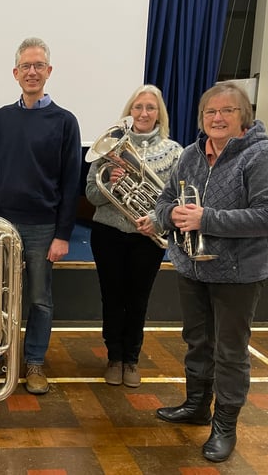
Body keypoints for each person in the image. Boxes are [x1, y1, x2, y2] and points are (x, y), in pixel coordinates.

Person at [154, 81, 268, 462]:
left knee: (230, 352)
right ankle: (196, 406)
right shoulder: (191, 155)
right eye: (209, 112)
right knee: (197, 342)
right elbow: (164, 201)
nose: (216, 117)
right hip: (192, 268)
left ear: (243, 116)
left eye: (226, 111)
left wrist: (205, 218)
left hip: (238, 274)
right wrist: (171, 215)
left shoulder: (263, 157)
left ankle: (224, 426)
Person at [0, 38, 82, 395]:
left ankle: (33, 362)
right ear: (15, 74)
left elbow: (70, 182)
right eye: (26, 66)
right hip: (0, 222)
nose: (32, 72)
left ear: (48, 72)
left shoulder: (65, 121)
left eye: (39, 65)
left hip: (43, 227)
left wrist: (63, 234)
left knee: (38, 299)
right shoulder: (3, 119)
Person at [85, 85, 182, 388]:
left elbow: (177, 201)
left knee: (138, 299)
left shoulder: (174, 152)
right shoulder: (110, 149)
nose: (143, 113)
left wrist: (157, 220)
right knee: (111, 298)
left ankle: (132, 359)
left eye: (150, 108)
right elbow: (90, 194)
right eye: (138, 107)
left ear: (159, 114)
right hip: (108, 233)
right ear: (130, 111)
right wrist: (112, 185)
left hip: (147, 237)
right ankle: (114, 357)